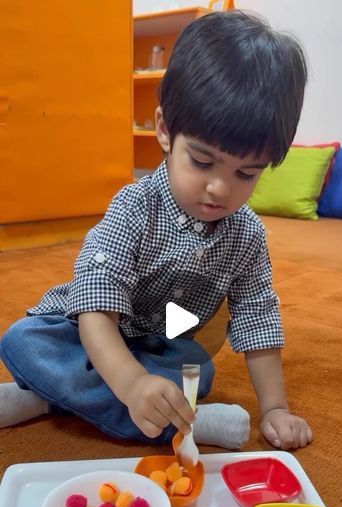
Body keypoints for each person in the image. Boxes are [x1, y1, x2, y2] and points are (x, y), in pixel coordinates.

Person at [0, 10, 313, 451]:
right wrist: (131, 386)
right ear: (165, 131)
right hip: (87, 333)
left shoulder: (248, 236)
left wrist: (276, 409)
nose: (220, 188)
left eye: (246, 174)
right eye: (201, 162)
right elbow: (95, 308)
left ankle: (52, 401)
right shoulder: (134, 207)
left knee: (198, 371)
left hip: (157, 345)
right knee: (25, 343)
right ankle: (185, 423)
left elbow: (258, 318)